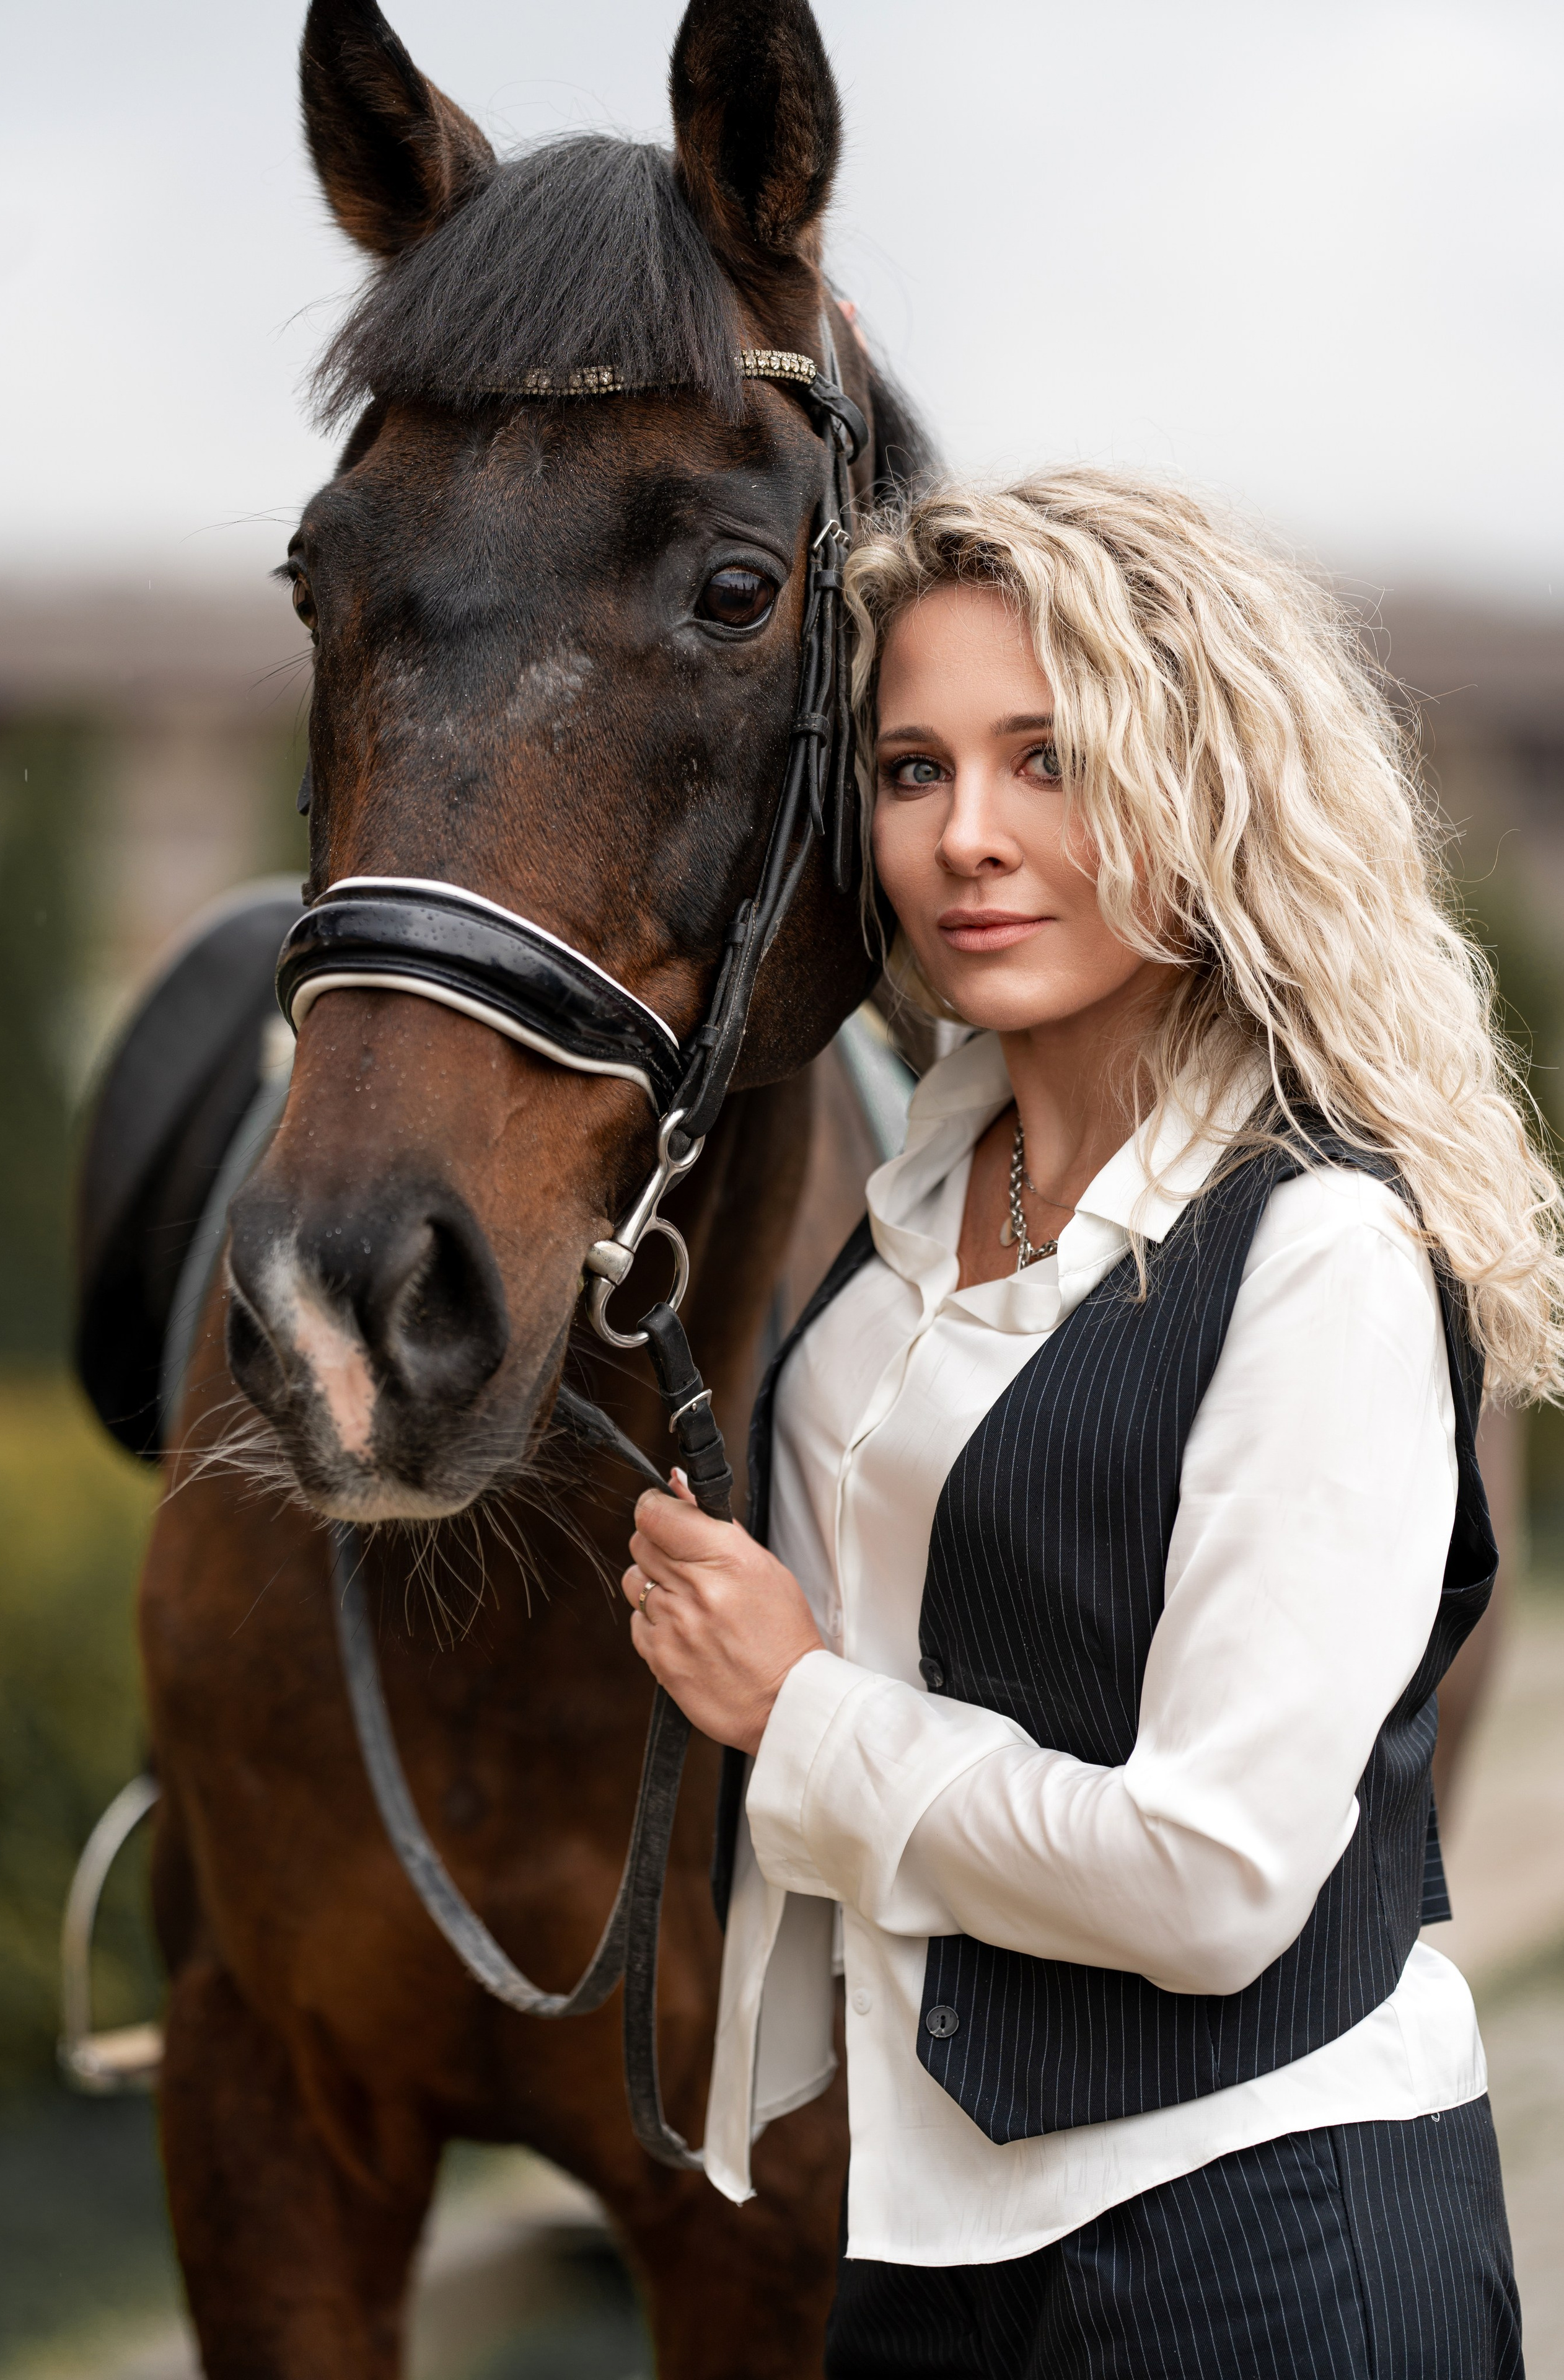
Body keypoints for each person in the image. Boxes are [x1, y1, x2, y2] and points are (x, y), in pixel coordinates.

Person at [621, 471, 1547, 2378]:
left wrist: (795, 1707)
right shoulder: (889, 1264)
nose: (971, 836)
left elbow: (1212, 1881)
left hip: (1271, 2243)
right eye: (912, 771)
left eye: (1051, 760)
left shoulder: (1322, 1258)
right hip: (924, 2245)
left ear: (1203, 788)